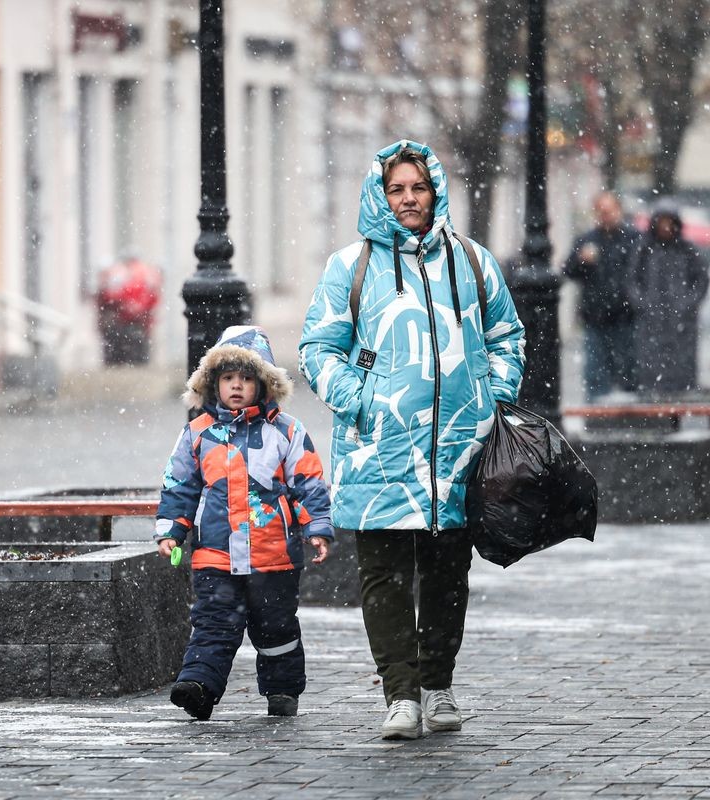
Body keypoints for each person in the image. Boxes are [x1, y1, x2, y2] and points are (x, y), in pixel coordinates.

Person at [298, 140, 526, 739]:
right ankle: (400, 695)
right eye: (396, 189)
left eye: (417, 188)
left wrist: (490, 397)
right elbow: (318, 349)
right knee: (384, 576)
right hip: (379, 451)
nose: (408, 199)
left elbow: (508, 336)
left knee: (449, 573)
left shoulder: (472, 262)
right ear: (380, 194)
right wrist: (364, 400)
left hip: (459, 450)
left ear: (435, 192)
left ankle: (438, 686)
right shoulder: (350, 268)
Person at [155, 325, 334, 721]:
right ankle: (199, 686)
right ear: (213, 384)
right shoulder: (198, 434)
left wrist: (316, 527)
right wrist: (172, 529)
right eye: (228, 378)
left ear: (263, 384)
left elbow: (308, 482)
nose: (236, 386)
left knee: (276, 629)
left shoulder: (285, 431)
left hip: (273, 556)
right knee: (213, 624)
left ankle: (282, 690)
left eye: (246, 378)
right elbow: (180, 484)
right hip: (216, 555)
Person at [563, 191, 640, 401]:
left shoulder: (633, 239)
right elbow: (568, 271)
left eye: (610, 210)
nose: (606, 215)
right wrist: (581, 260)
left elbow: (641, 272)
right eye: (601, 211)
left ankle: (630, 416)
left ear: (619, 210)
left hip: (626, 315)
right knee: (595, 371)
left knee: (628, 369)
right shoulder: (587, 240)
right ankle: (597, 414)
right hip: (595, 317)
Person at [629, 202, 710, 397]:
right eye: (661, 222)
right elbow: (632, 280)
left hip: (681, 321)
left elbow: (701, 280)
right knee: (652, 366)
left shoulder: (688, 251)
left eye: (669, 223)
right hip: (652, 321)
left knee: (681, 365)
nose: (665, 228)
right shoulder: (644, 250)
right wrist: (643, 304)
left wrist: (688, 304)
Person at [96, 253, 161, 365]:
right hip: (133, 320)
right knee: (135, 350)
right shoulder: (144, 274)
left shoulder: (122, 274)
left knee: (119, 351)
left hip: (125, 320)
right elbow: (152, 296)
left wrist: (127, 305)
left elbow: (109, 296)